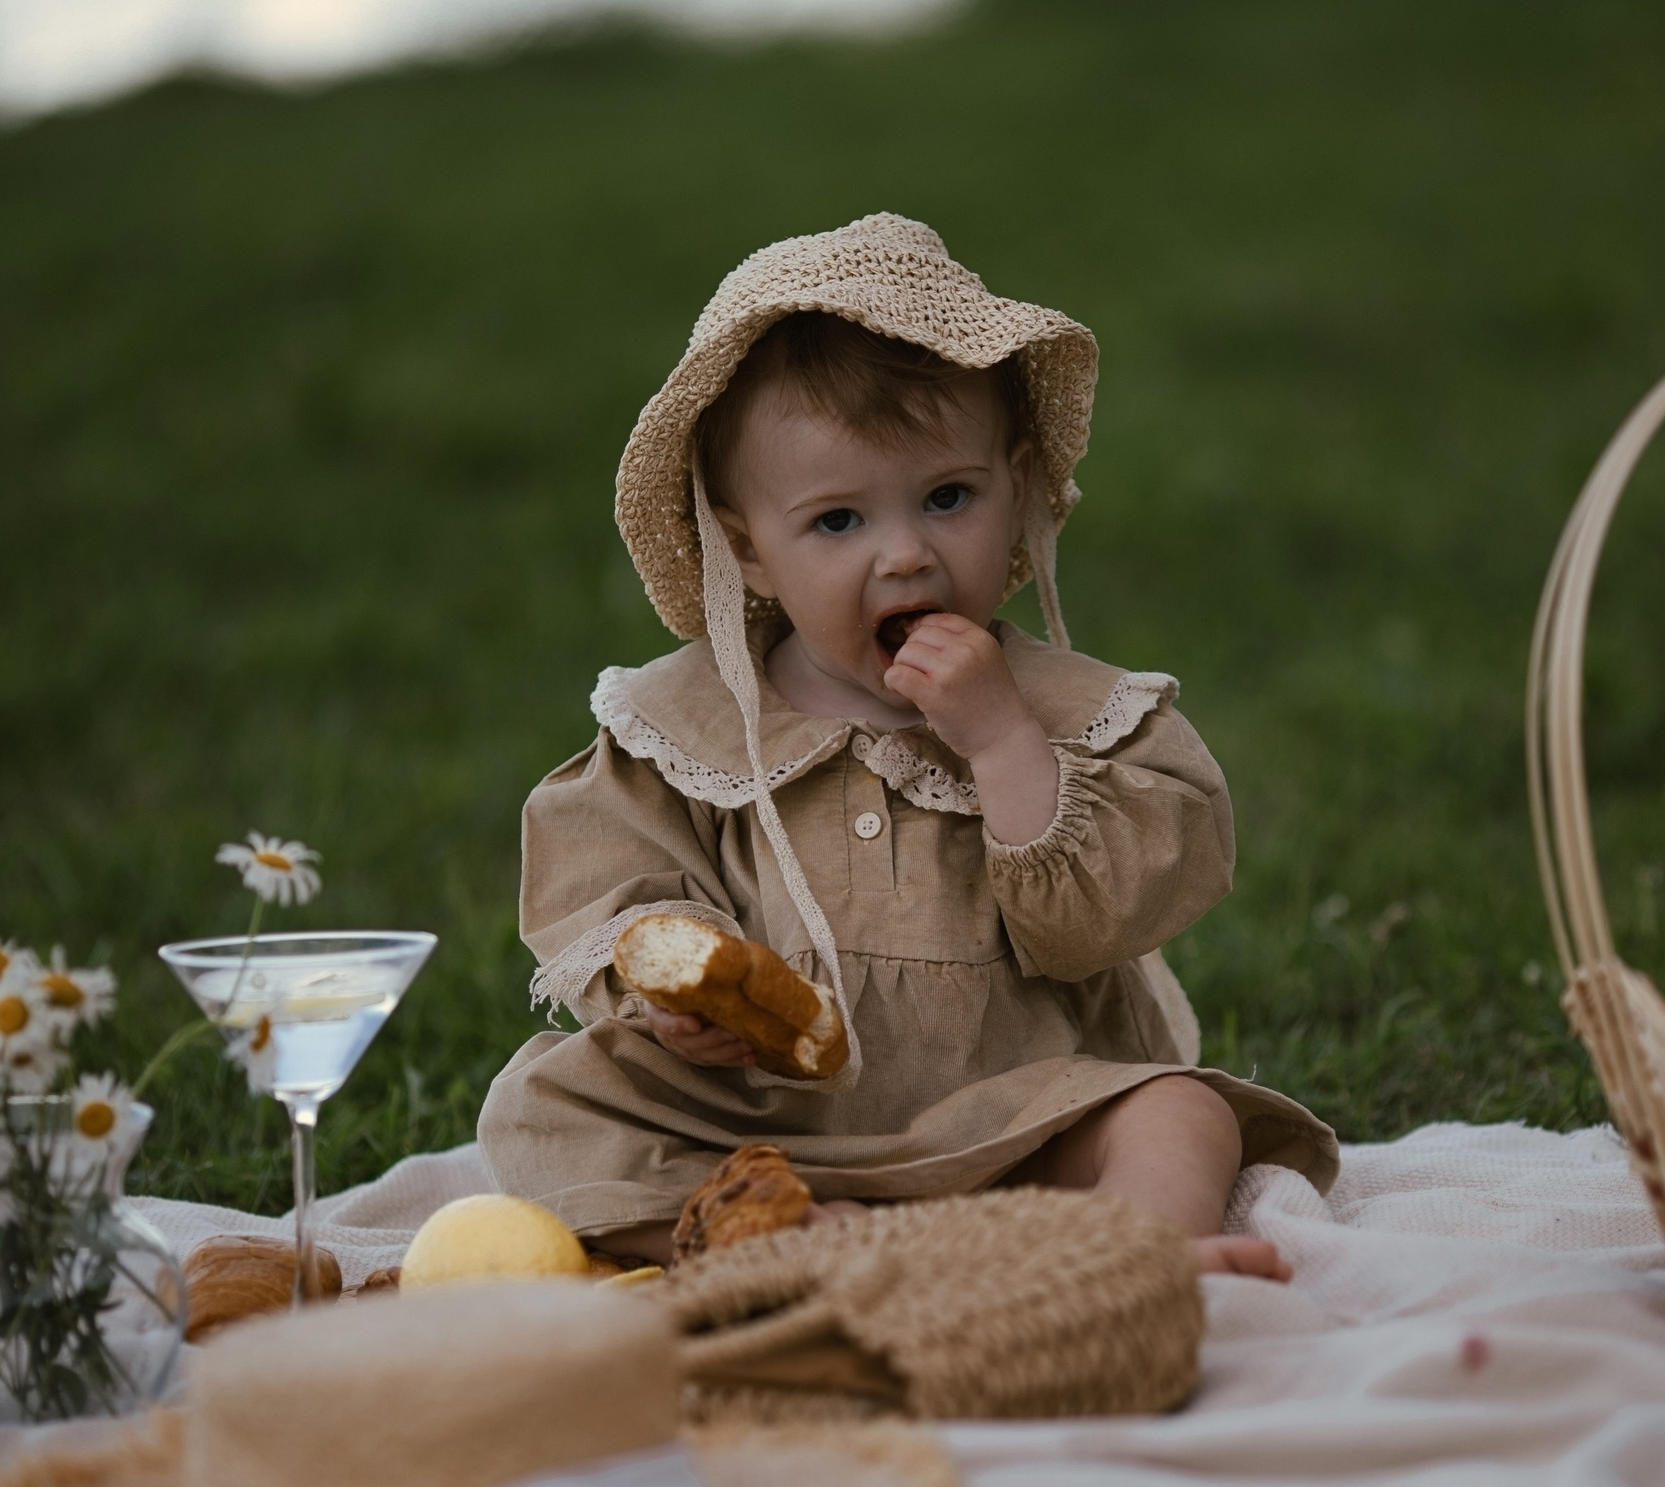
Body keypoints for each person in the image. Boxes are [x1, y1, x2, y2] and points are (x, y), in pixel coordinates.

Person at [478, 213, 1337, 1277]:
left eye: (947, 498)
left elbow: (1103, 918)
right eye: (838, 521)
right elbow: (612, 874)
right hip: (762, 1121)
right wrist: (678, 993)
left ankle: (1136, 1258)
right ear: (748, 551)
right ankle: (788, 1230)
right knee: (545, 1110)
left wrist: (1003, 739)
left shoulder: (1071, 712)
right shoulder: (690, 725)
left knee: (1179, 1114)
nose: (905, 556)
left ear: (1016, 490)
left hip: (1018, 1108)